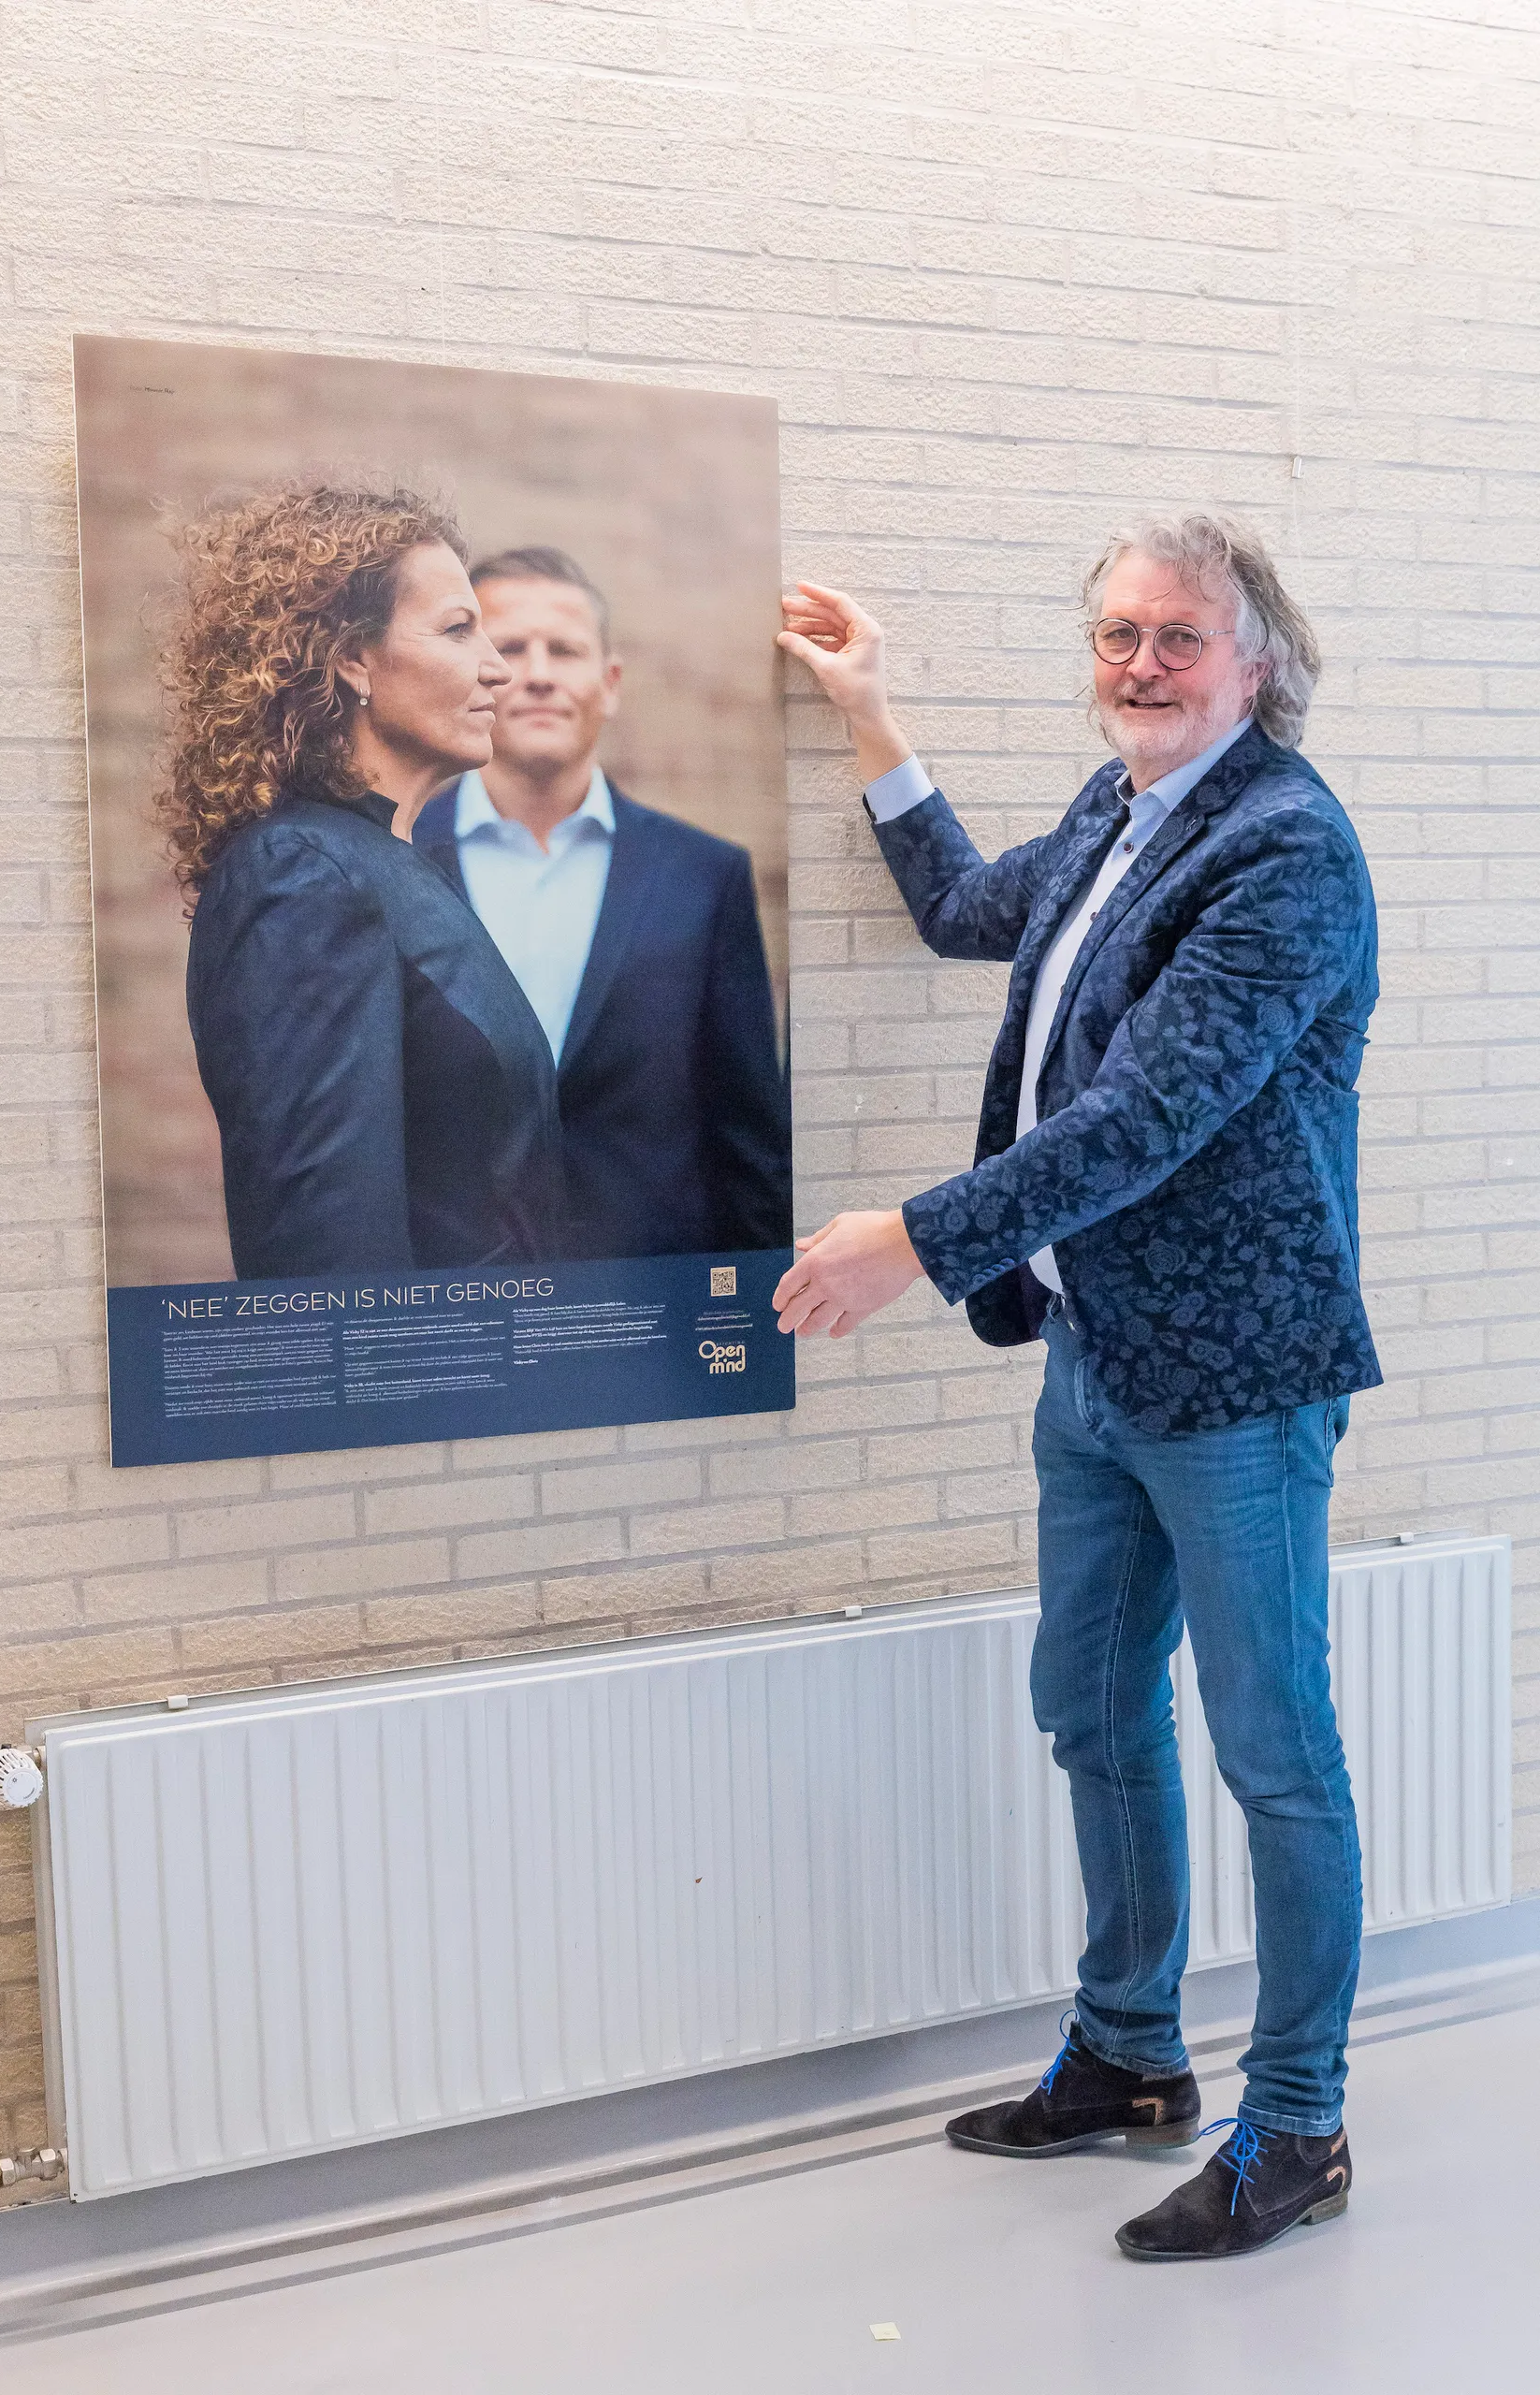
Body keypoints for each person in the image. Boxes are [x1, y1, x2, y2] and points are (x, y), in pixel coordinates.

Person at [773, 513, 1379, 2265]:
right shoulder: (1121, 812)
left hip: (1238, 1376)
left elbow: (1147, 1116)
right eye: (1115, 635)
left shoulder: (1282, 850)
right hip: (1096, 1358)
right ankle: (1125, 2057)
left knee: (1274, 1755)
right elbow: (974, 909)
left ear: (1257, 660)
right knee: (1089, 1709)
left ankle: (1300, 2124)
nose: (1136, 665)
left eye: (1174, 639)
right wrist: (868, 716)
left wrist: (918, 1235)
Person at [164, 484, 563, 1280]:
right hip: (424, 1382)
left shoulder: (391, 862)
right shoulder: (302, 872)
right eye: (458, 630)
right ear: (350, 659)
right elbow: (323, 1255)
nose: (497, 670)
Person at [414, 546, 792, 1261]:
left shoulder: (704, 877)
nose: (538, 674)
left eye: (564, 649)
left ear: (609, 682)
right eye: (511, 647)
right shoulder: (390, 864)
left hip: (652, 1308)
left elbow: (749, 1139)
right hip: (453, 1309)